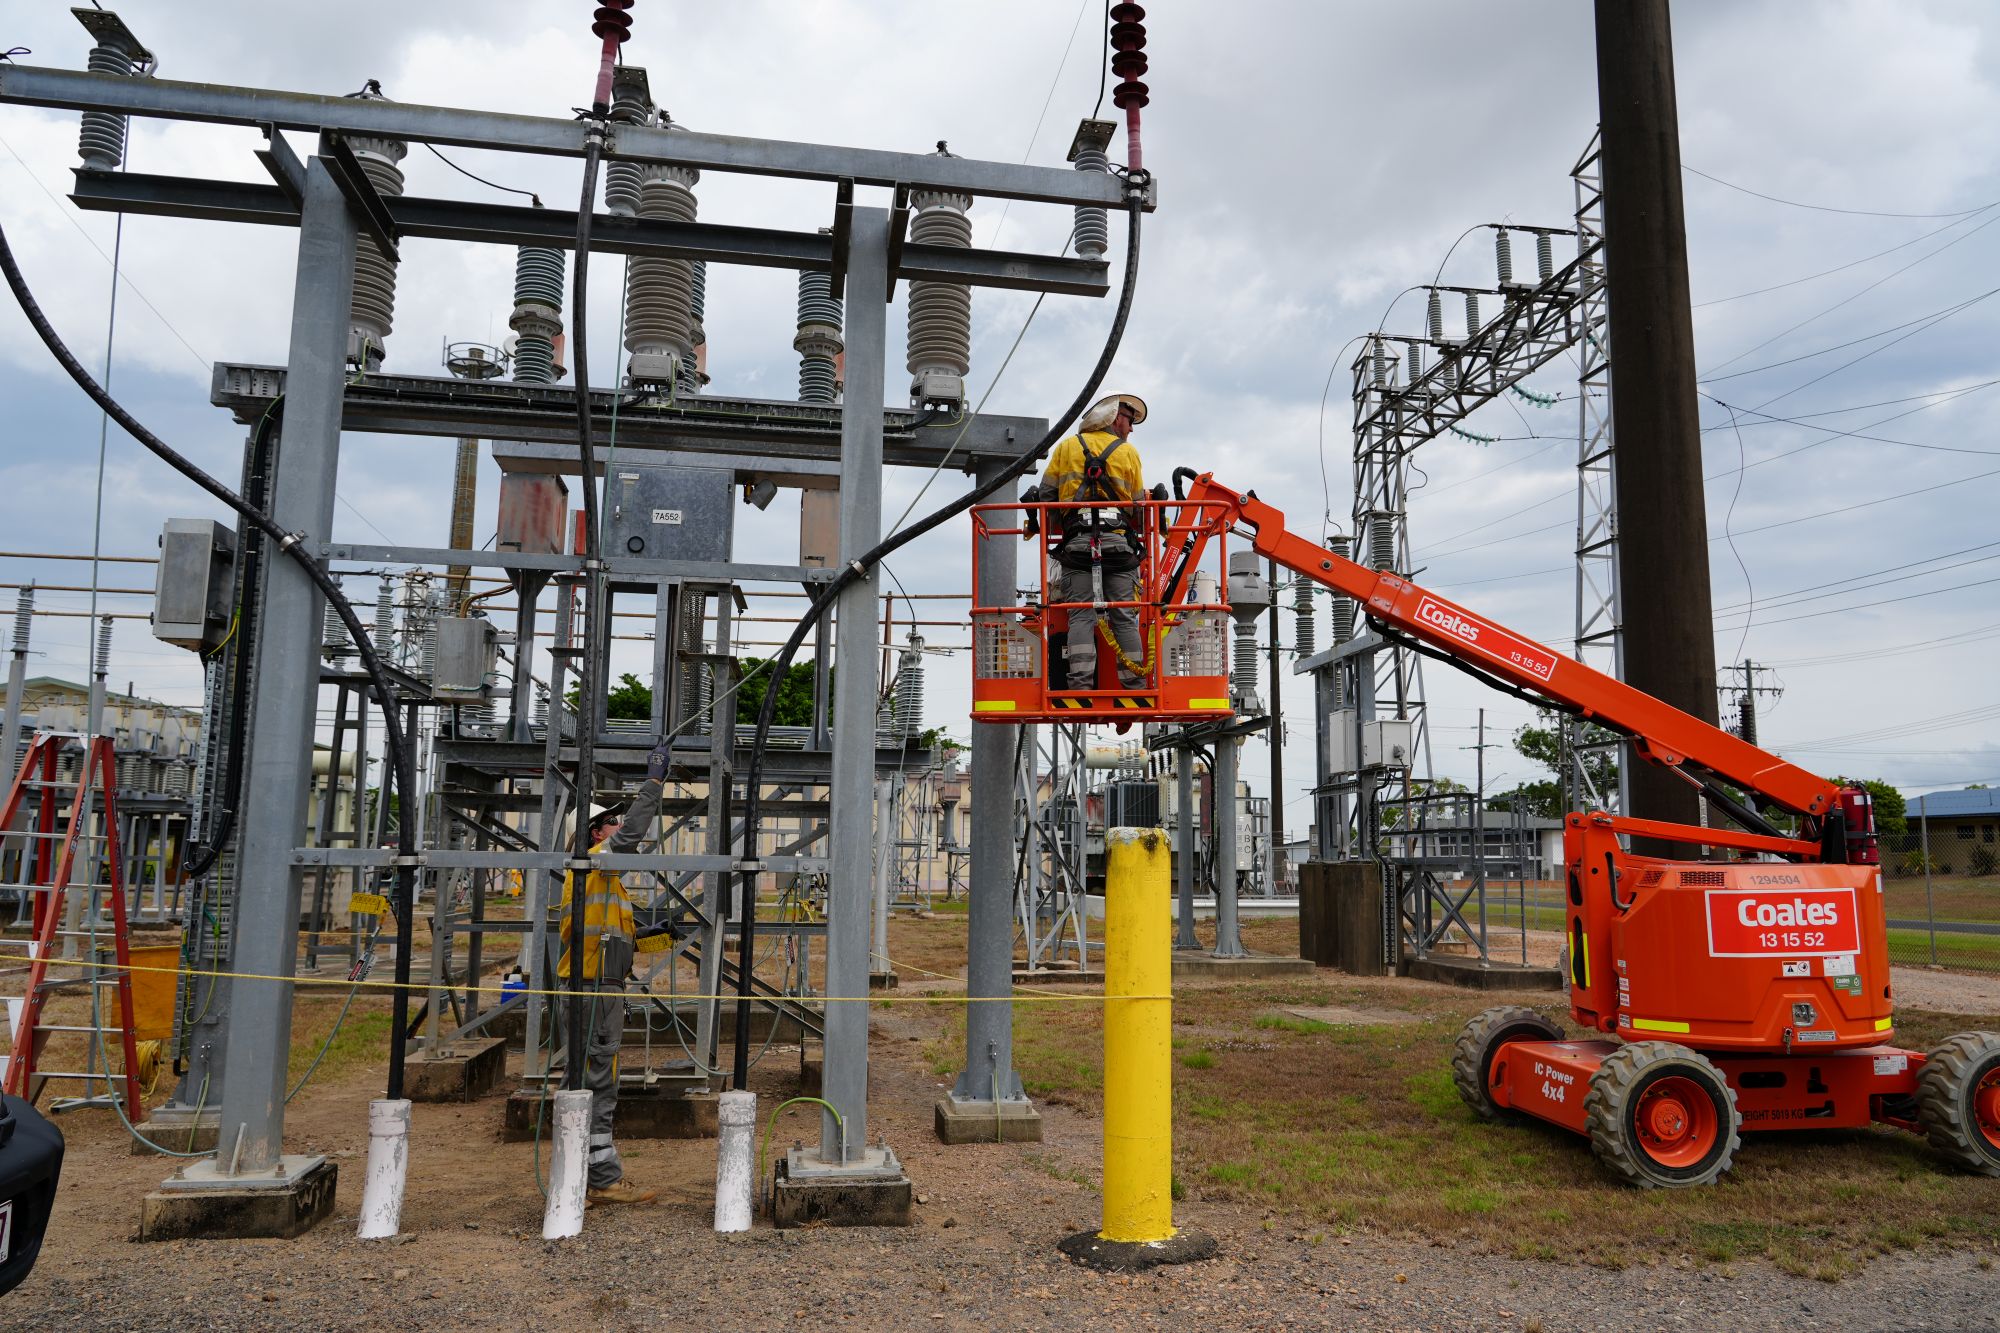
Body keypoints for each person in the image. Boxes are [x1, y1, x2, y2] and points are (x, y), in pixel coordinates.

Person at [555, 742, 668, 1207]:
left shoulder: (606, 881)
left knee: (589, 1075)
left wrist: (654, 936)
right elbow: (629, 838)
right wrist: (654, 784)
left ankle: (581, 1174)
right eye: (612, 821)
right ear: (595, 832)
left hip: (598, 986)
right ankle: (599, 1178)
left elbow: (613, 941)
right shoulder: (595, 865)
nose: (619, 827)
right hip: (591, 992)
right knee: (598, 1076)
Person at [1032, 392, 1149, 691]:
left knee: (1080, 617)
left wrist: (1064, 524)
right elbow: (1138, 507)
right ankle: (1135, 686)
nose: (1131, 428)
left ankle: (1080, 686)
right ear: (1114, 417)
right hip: (1118, 546)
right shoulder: (1128, 453)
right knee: (1124, 616)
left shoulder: (1067, 447)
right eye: (1129, 420)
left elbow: (1047, 496)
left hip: (1077, 546)